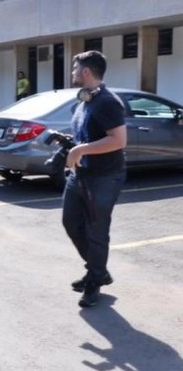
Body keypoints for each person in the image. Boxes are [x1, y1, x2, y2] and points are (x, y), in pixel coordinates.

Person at [62, 50, 126, 308]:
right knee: (71, 223)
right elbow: (87, 135)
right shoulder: (85, 101)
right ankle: (97, 270)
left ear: (86, 71)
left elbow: (118, 141)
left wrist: (82, 149)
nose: (73, 73)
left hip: (104, 177)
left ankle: (94, 282)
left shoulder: (107, 102)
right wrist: (71, 143)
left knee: (96, 230)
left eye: (75, 68)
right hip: (80, 175)